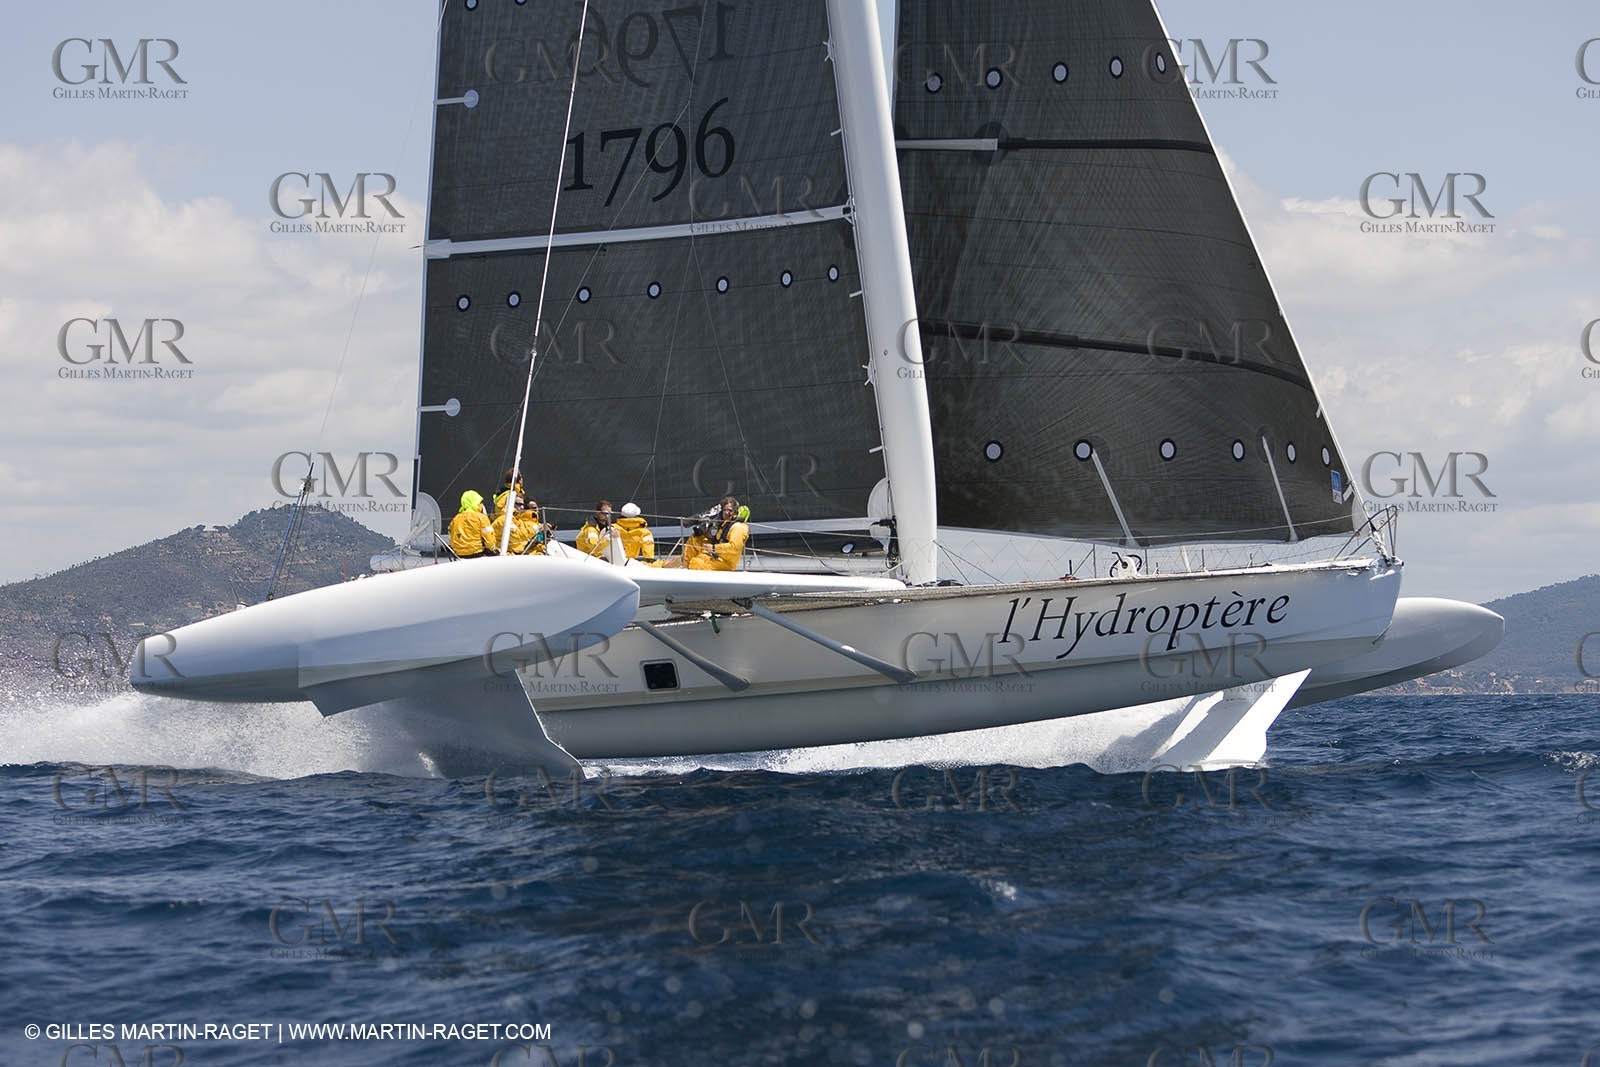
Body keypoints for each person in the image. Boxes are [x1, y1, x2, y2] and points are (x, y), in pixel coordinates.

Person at [654, 495, 748, 570]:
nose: (726, 513)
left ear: (735, 512)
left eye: (730, 511)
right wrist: (704, 534)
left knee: (697, 563)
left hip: (726, 562)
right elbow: (717, 538)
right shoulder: (723, 524)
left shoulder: (738, 527)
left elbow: (734, 548)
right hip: (717, 555)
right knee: (695, 539)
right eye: (725, 510)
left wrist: (714, 548)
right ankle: (669, 565)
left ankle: (690, 571)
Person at [448, 490, 497, 559]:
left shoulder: (456, 518)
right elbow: (489, 538)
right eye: (480, 502)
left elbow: (451, 535)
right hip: (477, 553)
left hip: (459, 554)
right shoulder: (481, 517)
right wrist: (493, 550)